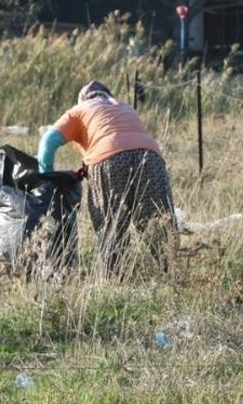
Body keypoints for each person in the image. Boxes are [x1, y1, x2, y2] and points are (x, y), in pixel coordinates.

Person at [37, 80, 175, 275]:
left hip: (109, 160)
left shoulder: (79, 110)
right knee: (158, 223)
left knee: (111, 226)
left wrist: (46, 179)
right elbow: (124, 139)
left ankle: (113, 277)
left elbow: (48, 141)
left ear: (82, 99)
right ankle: (171, 272)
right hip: (151, 157)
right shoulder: (125, 107)